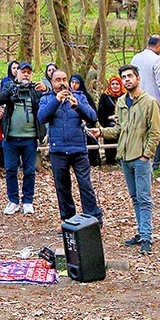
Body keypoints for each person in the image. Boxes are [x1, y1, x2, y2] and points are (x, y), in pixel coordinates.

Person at [95, 65, 160, 255]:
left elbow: (155, 132)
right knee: (134, 197)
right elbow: (119, 129)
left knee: (144, 198)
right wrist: (100, 132)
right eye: (124, 77)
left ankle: (147, 236)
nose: (126, 80)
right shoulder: (122, 102)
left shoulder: (149, 102)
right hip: (125, 156)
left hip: (140, 157)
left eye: (130, 76)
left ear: (138, 78)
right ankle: (141, 232)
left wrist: (146, 154)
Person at [38, 69, 103, 224]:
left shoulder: (79, 96)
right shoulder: (47, 99)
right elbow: (41, 117)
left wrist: (78, 106)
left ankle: (93, 219)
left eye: (64, 79)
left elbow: (92, 117)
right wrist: (57, 100)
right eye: (58, 80)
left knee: (85, 185)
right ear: (52, 82)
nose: (62, 83)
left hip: (79, 149)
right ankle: (68, 220)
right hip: (58, 150)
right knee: (63, 188)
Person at [0, 61, 48, 215]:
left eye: (29, 72)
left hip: (30, 137)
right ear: (17, 72)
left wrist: (46, 89)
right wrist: (15, 87)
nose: (26, 74)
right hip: (11, 137)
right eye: (23, 71)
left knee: (29, 170)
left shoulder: (35, 89)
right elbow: (1, 99)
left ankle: (28, 201)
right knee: (11, 169)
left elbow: (48, 99)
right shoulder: (9, 86)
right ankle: (13, 200)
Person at [131, 34, 160, 171]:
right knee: (156, 132)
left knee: (140, 130)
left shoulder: (136, 58)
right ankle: (156, 163)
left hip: (137, 99)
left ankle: (138, 158)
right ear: (158, 46)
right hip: (154, 101)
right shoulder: (157, 60)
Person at [92, 76, 124, 166]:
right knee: (110, 138)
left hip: (123, 122)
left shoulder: (125, 95)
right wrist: (111, 117)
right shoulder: (105, 96)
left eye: (117, 84)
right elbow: (101, 113)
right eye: (113, 84)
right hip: (109, 123)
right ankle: (110, 159)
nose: (115, 86)